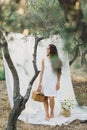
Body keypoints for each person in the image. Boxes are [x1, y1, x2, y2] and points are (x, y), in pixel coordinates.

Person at [38, 44, 62, 121]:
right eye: (47, 49)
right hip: (45, 81)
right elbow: (42, 72)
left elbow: (58, 73)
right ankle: (46, 114)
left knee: (51, 98)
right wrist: (39, 83)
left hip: (53, 81)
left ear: (52, 50)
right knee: (45, 98)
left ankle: (52, 112)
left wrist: (58, 82)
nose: (47, 50)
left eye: (49, 49)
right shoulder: (44, 60)